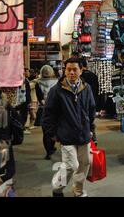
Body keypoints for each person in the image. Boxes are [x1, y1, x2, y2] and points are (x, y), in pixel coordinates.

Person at [42, 58, 96, 197]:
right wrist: (52, 134)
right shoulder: (57, 90)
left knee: (84, 164)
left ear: (81, 70)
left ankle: (78, 191)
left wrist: (91, 129)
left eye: (74, 69)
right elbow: (48, 114)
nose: (71, 72)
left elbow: (91, 109)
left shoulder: (86, 88)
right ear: (64, 71)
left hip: (84, 134)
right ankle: (57, 188)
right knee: (71, 165)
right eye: (68, 70)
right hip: (66, 135)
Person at [35, 65, 59, 160]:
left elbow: (39, 97)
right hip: (55, 110)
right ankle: (51, 147)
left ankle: (48, 151)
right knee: (53, 130)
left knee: (45, 132)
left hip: (43, 110)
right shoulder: (57, 82)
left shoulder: (38, 83)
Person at [80, 58, 99, 144]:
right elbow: (97, 90)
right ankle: (93, 138)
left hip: (82, 102)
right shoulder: (94, 75)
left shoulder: (79, 77)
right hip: (92, 100)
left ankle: (85, 137)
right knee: (90, 120)